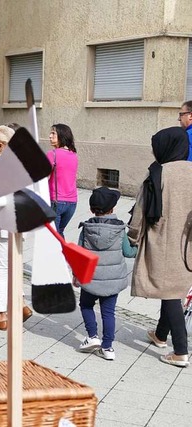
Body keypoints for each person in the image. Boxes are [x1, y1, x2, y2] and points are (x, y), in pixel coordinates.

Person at [128, 126, 192, 367]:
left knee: (169, 290)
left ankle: (181, 352)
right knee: (173, 288)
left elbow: (140, 213)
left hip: (164, 239)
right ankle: (160, 334)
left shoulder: (158, 174)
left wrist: (133, 238)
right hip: (189, 241)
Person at [0, 125, 33, 330]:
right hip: (21, 219)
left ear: (0, 145)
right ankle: (21, 305)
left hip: (2, 220)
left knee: (0, 267)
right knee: (14, 263)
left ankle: (1, 314)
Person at [75, 187, 137, 361]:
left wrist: (76, 275)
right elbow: (129, 253)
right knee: (108, 313)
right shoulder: (119, 230)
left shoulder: (86, 229)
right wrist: (137, 246)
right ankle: (108, 347)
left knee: (86, 305)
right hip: (113, 280)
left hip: (90, 278)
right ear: (113, 209)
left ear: (91, 209)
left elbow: (79, 255)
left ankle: (92, 336)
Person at [47, 123, 78, 237]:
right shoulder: (73, 155)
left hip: (56, 202)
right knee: (59, 233)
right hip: (72, 203)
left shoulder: (52, 154)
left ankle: (59, 255)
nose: (50, 136)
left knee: (54, 236)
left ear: (62, 135)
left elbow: (43, 177)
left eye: (53, 133)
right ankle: (63, 254)